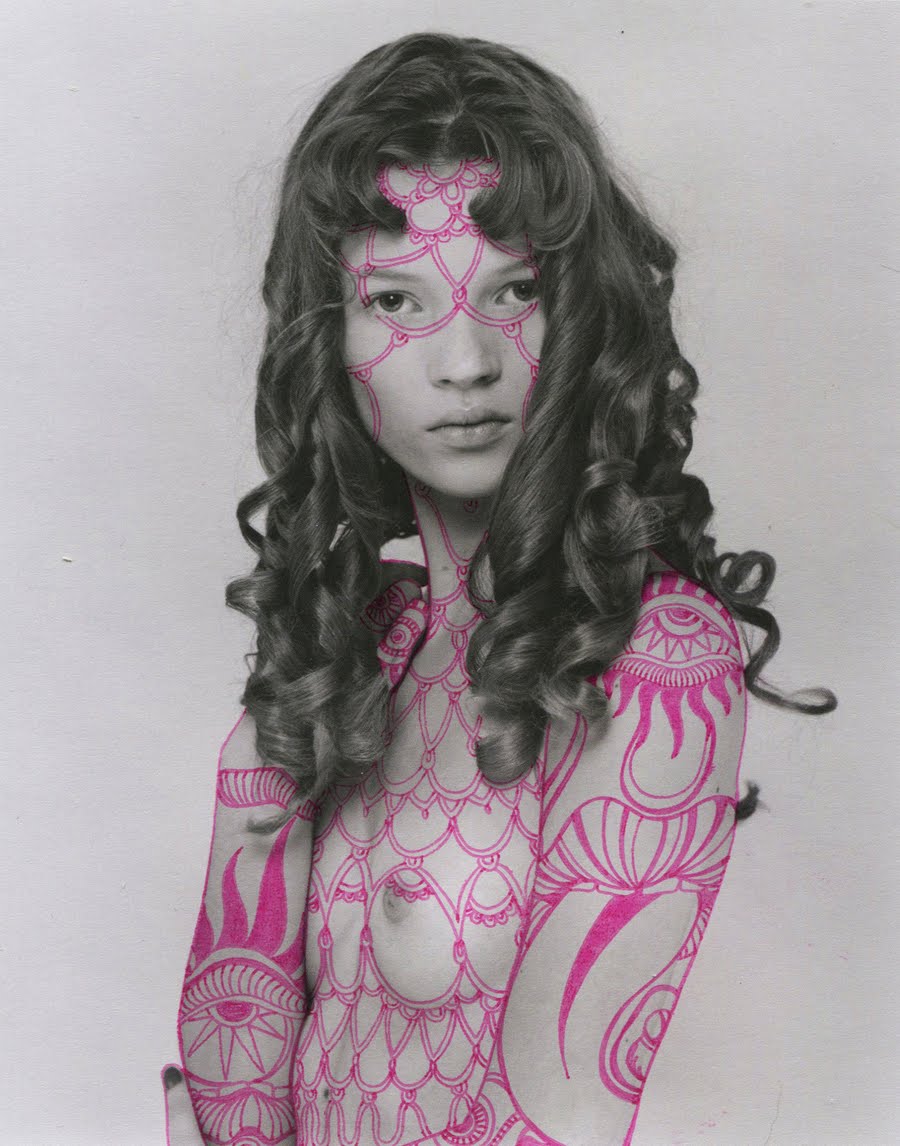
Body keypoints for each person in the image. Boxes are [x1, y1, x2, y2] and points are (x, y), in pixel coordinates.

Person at [161, 32, 834, 1146]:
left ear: (580, 315)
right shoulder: (362, 647)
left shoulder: (656, 658)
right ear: (329, 338)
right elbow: (231, 1080)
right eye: (396, 301)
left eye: (514, 290)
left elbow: (560, 1119)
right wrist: (256, 798)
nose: (465, 363)